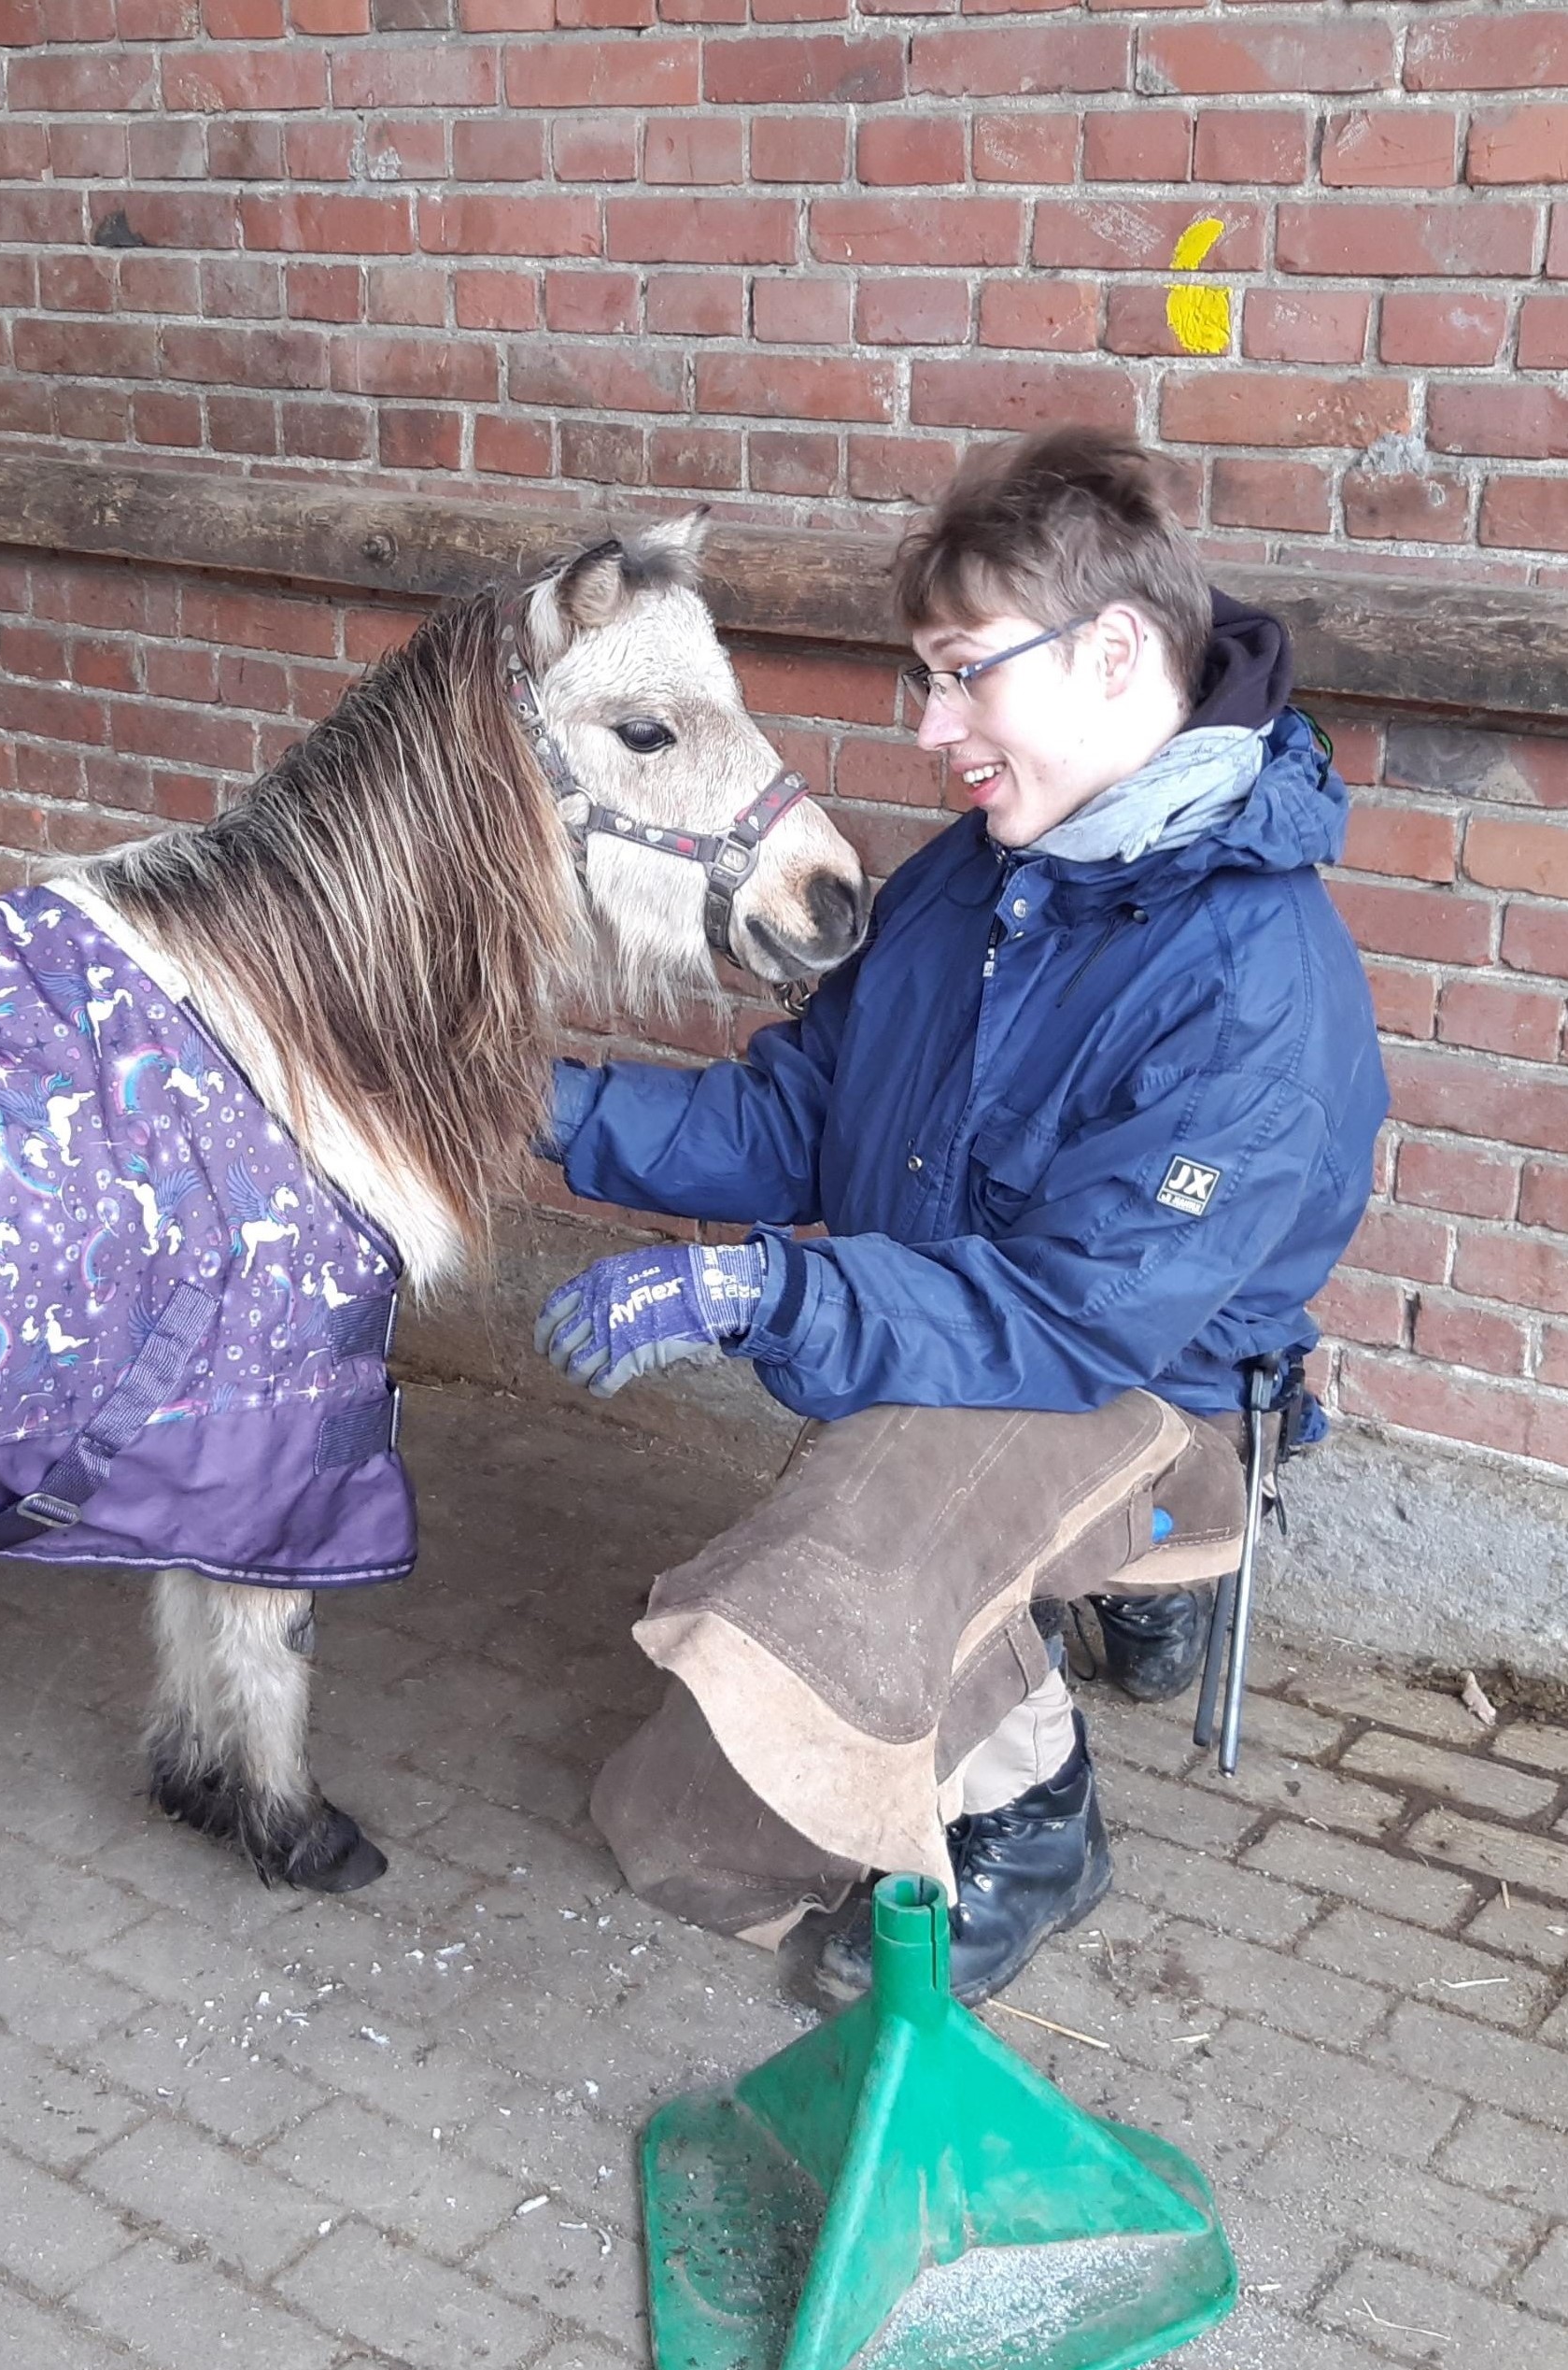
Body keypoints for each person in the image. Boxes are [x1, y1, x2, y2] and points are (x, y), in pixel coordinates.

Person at [531, 428, 1389, 2004]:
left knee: (848, 1556)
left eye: (964, 676)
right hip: (963, 1331)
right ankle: (1009, 1636)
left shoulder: (1253, 981)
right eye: (924, 680)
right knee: (675, 1823)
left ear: (1112, 655)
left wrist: (761, 1294)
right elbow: (800, 1116)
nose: (932, 729)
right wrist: (537, 1106)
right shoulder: (970, 880)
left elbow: (1068, 1317)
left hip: (1149, 1391)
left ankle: (1037, 1819)